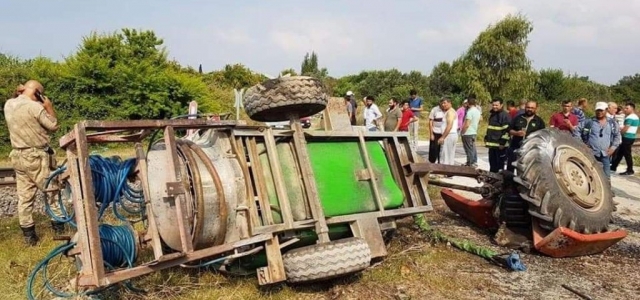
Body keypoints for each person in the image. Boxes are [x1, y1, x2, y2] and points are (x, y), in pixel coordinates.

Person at [4, 80, 65, 246]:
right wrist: (48, 106)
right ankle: (59, 229)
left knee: (24, 197)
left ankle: (29, 237)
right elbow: (53, 125)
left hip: (17, 155)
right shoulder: (35, 107)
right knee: (51, 191)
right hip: (36, 156)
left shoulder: (9, 104)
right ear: (38, 93)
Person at [573, 101, 621, 179]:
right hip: (590, 153)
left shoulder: (612, 123)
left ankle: (607, 189)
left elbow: (617, 136)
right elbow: (576, 131)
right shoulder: (588, 122)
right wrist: (581, 144)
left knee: (606, 176)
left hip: (605, 154)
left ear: (606, 110)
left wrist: (613, 148)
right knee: (589, 175)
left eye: (601, 110)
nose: (599, 112)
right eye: (597, 110)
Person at [506, 101, 546, 172]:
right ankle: (508, 182)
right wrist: (516, 133)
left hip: (530, 150)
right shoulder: (518, 118)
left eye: (532, 108)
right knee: (510, 168)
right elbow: (509, 130)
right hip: (515, 147)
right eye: (528, 107)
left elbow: (543, 136)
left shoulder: (539, 121)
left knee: (526, 170)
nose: (529, 109)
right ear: (525, 107)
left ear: (536, 108)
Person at [611, 102, 638, 175]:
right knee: (620, 153)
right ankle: (613, 167)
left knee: (627, 154)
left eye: (627, 108)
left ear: (632, 109)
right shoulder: (635, 117)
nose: (625, 110)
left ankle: (630, 169)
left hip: (627, 137)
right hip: (631, 137)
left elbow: (626, 128)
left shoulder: (630, 117)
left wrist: (619, 133)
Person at [485, 98, 511, 172]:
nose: (494, 107)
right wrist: (487, 137)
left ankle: (499, 181)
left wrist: (502, 143)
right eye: (493, 105)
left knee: (499, 165)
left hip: (500, 146)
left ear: (501, 105)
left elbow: (507, 131)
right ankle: (492, 179)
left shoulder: (505, 116)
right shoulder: (493, 114)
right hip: (492, 145)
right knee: (492, 164)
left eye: (496, 105)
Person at [460, 97, 481, 167]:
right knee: (473, 148)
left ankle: (470, 163)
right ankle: (474, 161)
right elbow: (480, 119)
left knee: (468, 149)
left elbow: (467, 124)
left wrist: (462, 132)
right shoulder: (478, 111)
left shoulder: (470, 112)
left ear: (468, 104)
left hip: (468, 133)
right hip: (474, 131)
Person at [438, 97, 458, 165]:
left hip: (449, 135)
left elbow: (449, 125)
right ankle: (449, 172)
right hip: (449, 135)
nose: (443, 105)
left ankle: (445, 171)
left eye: (445, 103)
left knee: (446, 154)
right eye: (442, 103)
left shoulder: (450, 112)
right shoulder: (448, 112)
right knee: (449, 154)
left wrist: (443, 137)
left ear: (449, 103)